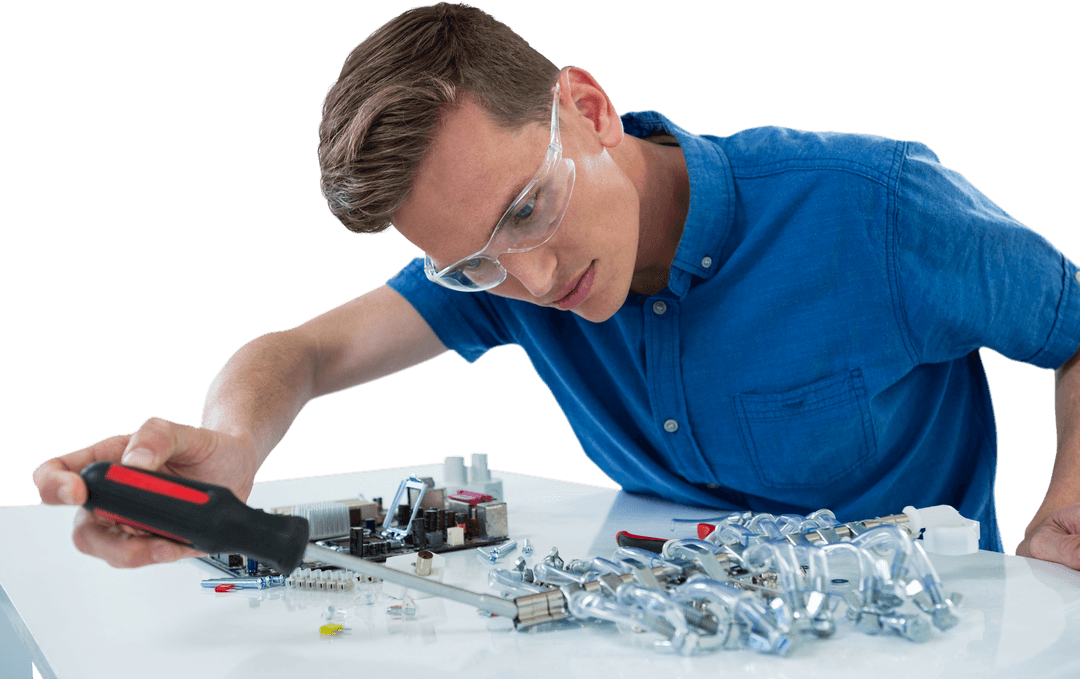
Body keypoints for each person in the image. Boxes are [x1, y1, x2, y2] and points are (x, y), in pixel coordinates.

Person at [32, 3, 1080, 570]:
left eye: (530, 208)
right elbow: (296, 354)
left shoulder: (878, 207)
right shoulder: (502, 272)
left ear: (587, 107)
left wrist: (1067, 515)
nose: (533, 281)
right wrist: (234, 446)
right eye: (475, 261)